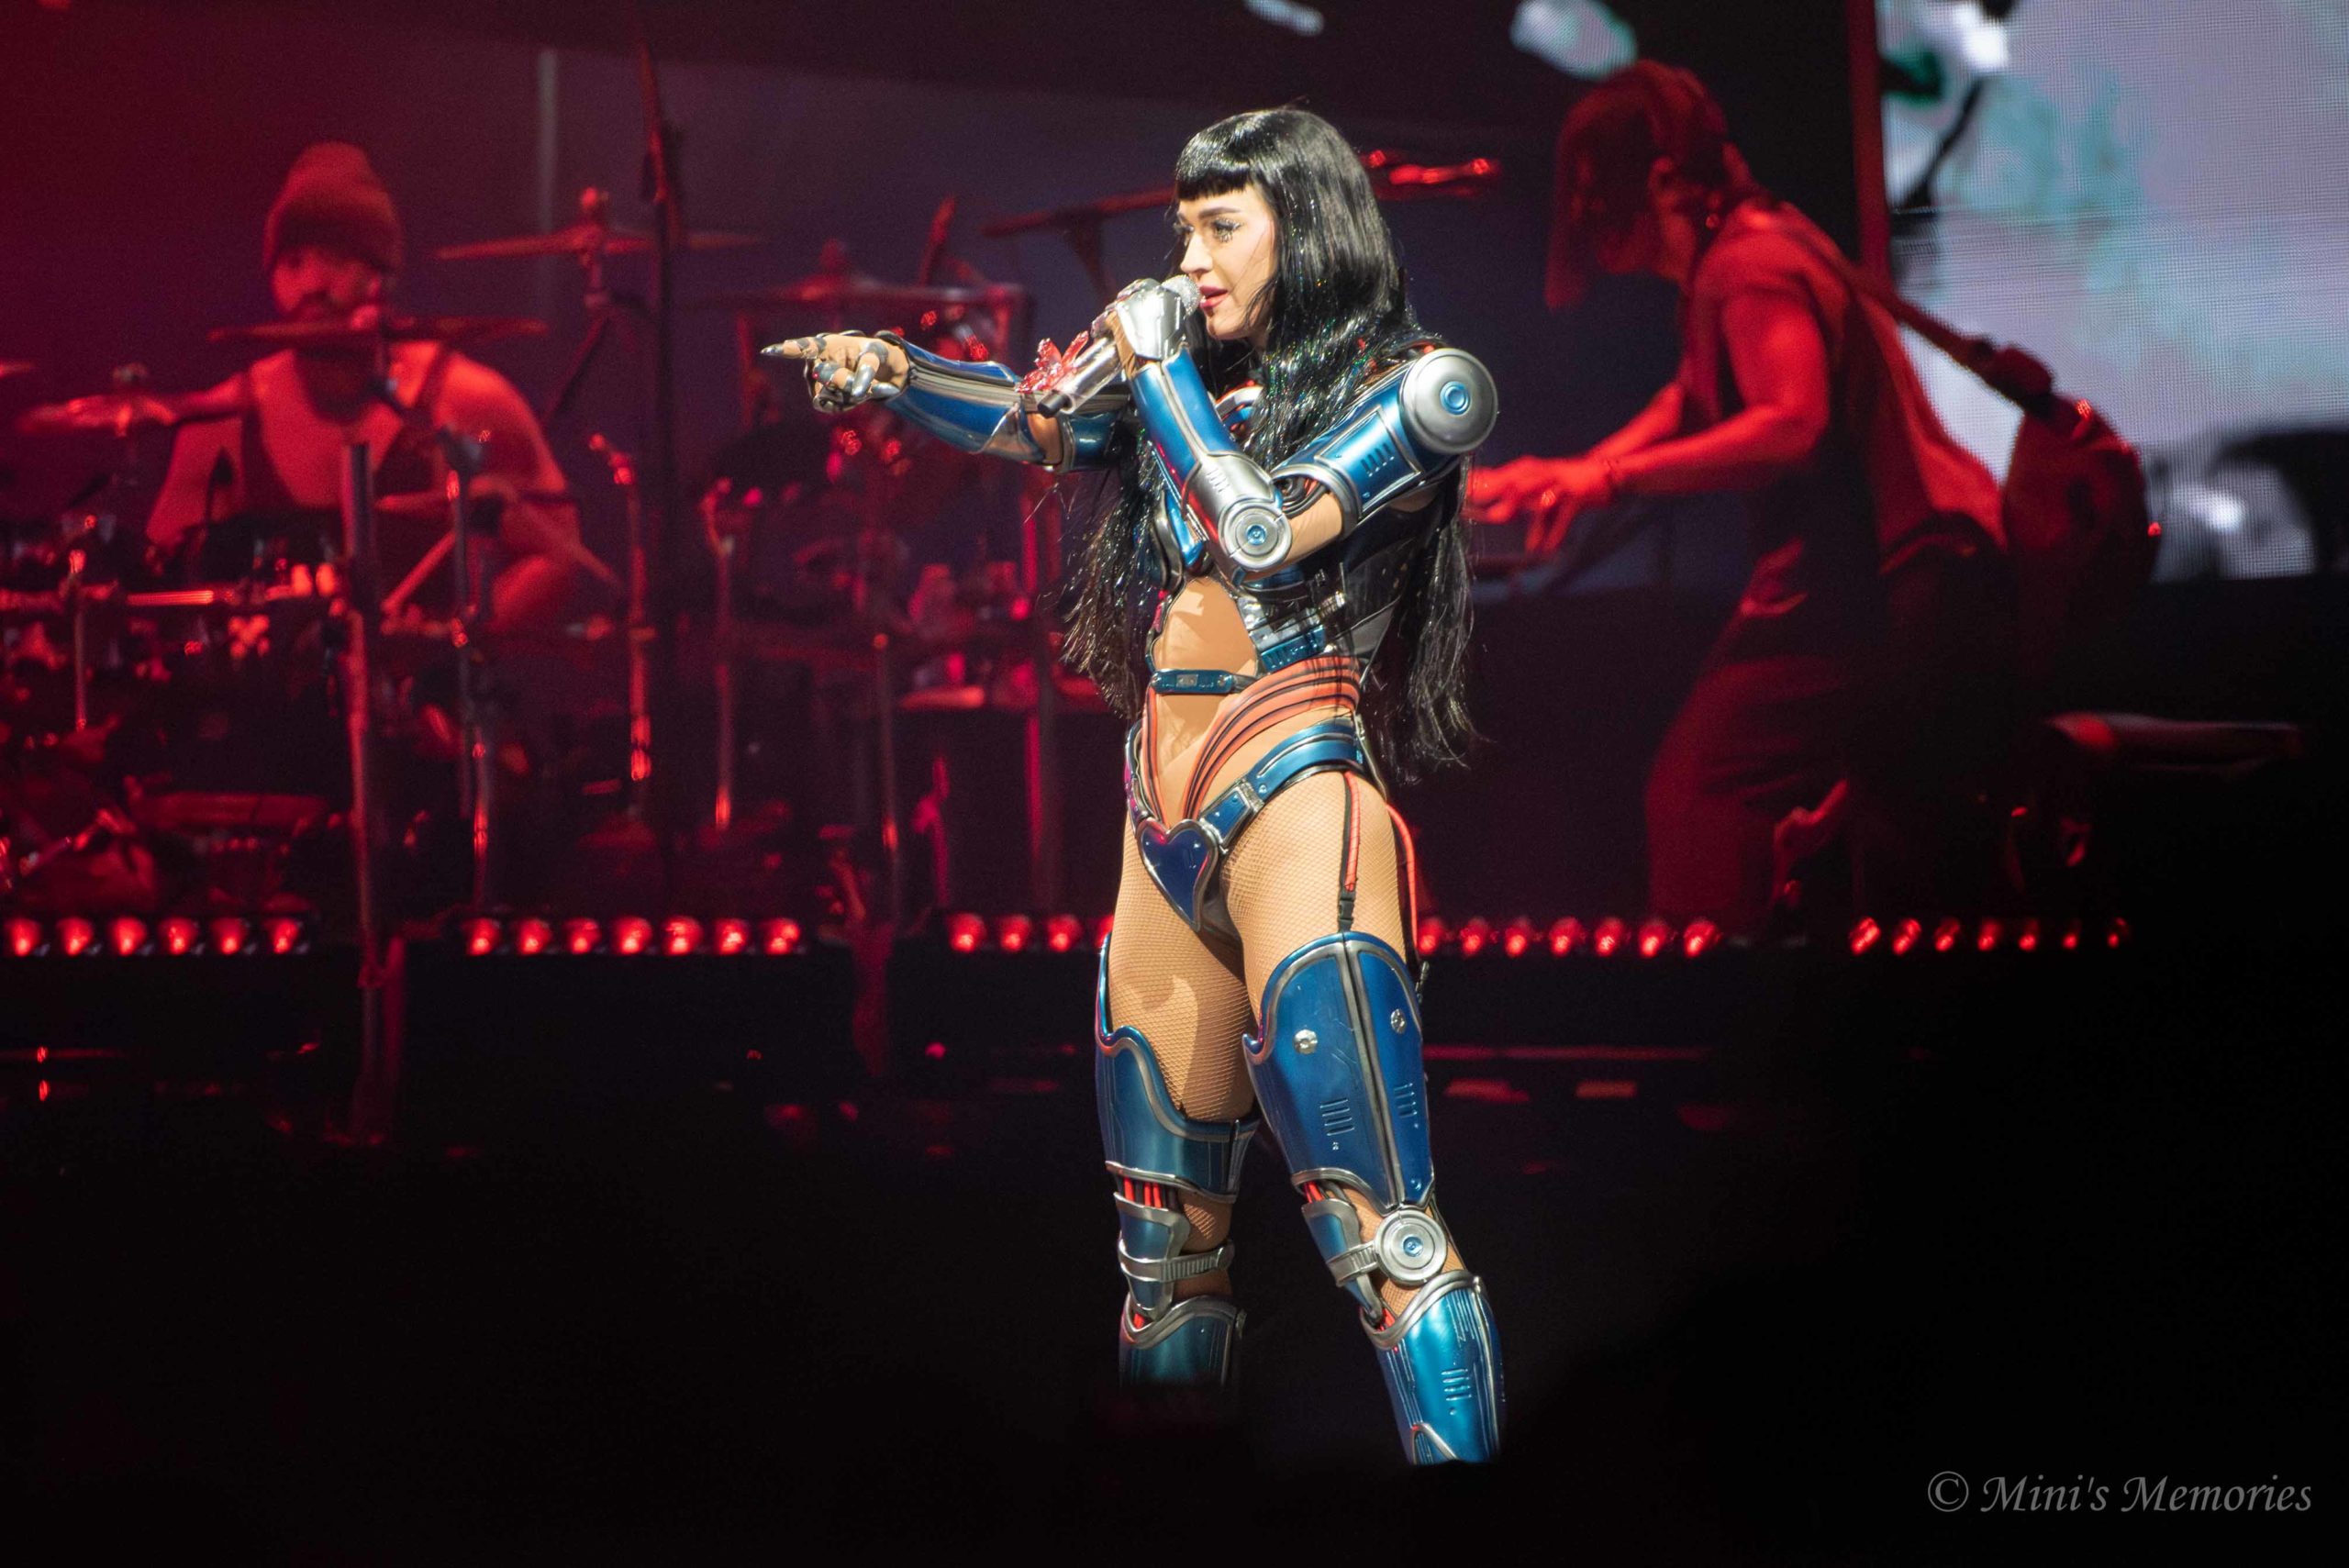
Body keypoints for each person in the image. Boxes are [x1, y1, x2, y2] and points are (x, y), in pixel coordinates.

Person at [774, 108, 1502, 1463]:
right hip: (1161, 818)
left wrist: (1157, 366)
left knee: (1380, 1233)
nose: (1189, 259)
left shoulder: (1423, 388)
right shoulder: (1193, 382)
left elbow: (1264, 530)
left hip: (1296, 798)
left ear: (1307, 226)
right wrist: (892, 370)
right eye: (1183, 231)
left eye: (1221, 228)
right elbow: (1031, 420)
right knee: (1165, 1252)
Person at [1475, 63, 2007, 934]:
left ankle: (1721, 1006)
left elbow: (1791, 422)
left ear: (1658, 181)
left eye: (1599, 195)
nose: (1590, 223)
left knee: (1701, 795)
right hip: (1920, 575)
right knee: (1867, 835)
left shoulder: (1748, 266)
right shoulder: (1760, 245)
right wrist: (1572, 472)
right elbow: (1691, 398)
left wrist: (1603, 479)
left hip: (1883, 585)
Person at [147, 142, 580, 633]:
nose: (312, 283)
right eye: (293, 262)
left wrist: (460, 640)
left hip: (425, 679)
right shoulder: (225, 420)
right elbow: (158, 580)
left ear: (381, 273)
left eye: (335, 259)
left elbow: (558, 555)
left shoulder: (467, 401)